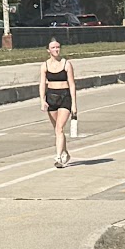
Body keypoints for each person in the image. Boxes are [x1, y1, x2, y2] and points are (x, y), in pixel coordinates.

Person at [40, 38, 77, 167]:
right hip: (51, 98)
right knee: (57, 130)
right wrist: (42, 100)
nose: (56, 50)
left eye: (58, 47)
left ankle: (58, 157)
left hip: (64, 97)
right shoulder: (44, 65)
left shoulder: (66, 64)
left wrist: (74, 104)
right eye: (53, 48)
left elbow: (72, 84)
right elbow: (42, 84)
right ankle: (65, 152)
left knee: (60, 128)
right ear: (48, 50)